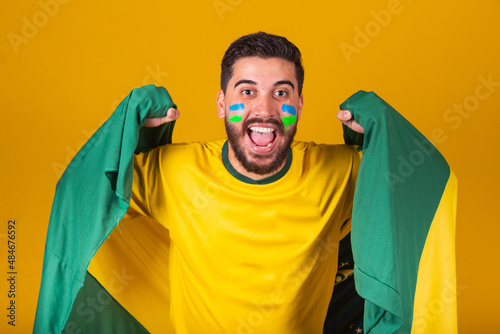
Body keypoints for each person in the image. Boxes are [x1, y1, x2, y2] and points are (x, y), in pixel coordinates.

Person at [34, 31, 458, 334]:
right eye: (247, 91)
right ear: (222, 104)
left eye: (281, 93)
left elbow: (414, 190)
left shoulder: (340, 170)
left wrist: (385, 135)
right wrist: (127, 132)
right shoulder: (175, 171)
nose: (265, 109)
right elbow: (86, 192)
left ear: (299, 103)